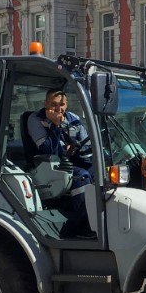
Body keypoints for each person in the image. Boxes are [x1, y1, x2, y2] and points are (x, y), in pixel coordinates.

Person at [27, 89, 95, 238]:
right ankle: (80, 227)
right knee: (81, 177)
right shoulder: (35, 120)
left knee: (100, 172)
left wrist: (75, 147)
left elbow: (87, 143)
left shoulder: (73, 119)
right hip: (48, 165)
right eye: (54, 104)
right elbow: (47, 149)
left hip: (71, 161)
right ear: (45, 104)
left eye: (62, 104)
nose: (58, 109)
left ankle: (98, 220)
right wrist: (55, 126)